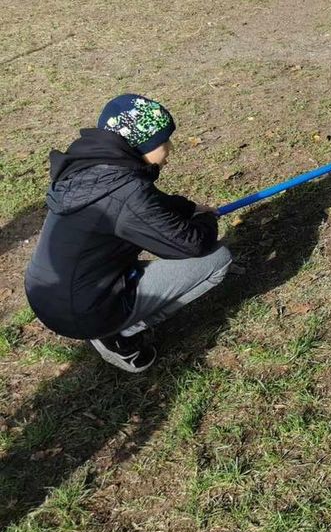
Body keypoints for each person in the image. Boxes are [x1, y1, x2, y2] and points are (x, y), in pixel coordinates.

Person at [24, 95, 232, 373]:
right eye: (163, 140)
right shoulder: (126, 191)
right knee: (217, 259)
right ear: (140, 143)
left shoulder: (91, 167)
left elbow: (147, 206)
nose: (169, 147)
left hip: (50, 293)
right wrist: (206, 219)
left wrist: (188, 208)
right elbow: (190, 245)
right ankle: (118, 333)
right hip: (81, 311)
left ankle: (111, 317)